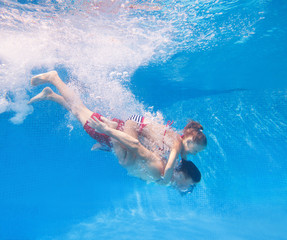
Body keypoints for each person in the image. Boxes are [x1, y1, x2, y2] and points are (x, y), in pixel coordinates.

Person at [28, 71, 207, 194]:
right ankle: (54, 78)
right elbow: (138, 147)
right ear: (184, 176)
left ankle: (50, 95)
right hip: (118, 131)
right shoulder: (169, 157)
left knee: (78, 112)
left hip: (119, 134)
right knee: (79, 109)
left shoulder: (169, 166)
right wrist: (109, 130)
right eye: (189, 185)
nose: (186, 189)